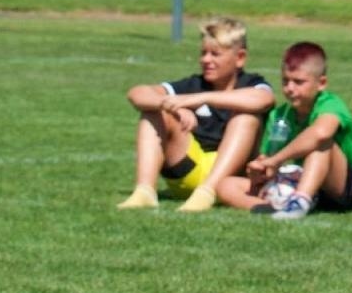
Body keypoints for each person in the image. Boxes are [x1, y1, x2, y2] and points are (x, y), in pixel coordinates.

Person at [117, 17, 274, 213]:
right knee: (153, 112)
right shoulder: (193, 84)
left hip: (231, 180)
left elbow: (264, 100)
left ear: (240, 58)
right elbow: (137, 93)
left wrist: (200, 99)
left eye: (215, 54)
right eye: (203, 53)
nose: (206, 60)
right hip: (189, 171)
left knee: (247, 118)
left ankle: (206, 193)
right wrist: (170, 106)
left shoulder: (252, 84)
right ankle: (145, 191)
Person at [215, 41, 352, 220]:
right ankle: (273, 209)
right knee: (226, 185)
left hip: (340, 188)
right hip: (296, 180)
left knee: (321, 143)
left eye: (298, 82)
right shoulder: (279, 115)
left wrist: (277, 159)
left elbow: (321, 133)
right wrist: (260, 169)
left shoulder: (330, 104)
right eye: (285, 80)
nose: (290, 88)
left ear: (321, 83)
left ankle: (300, 202)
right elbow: (269, 158)